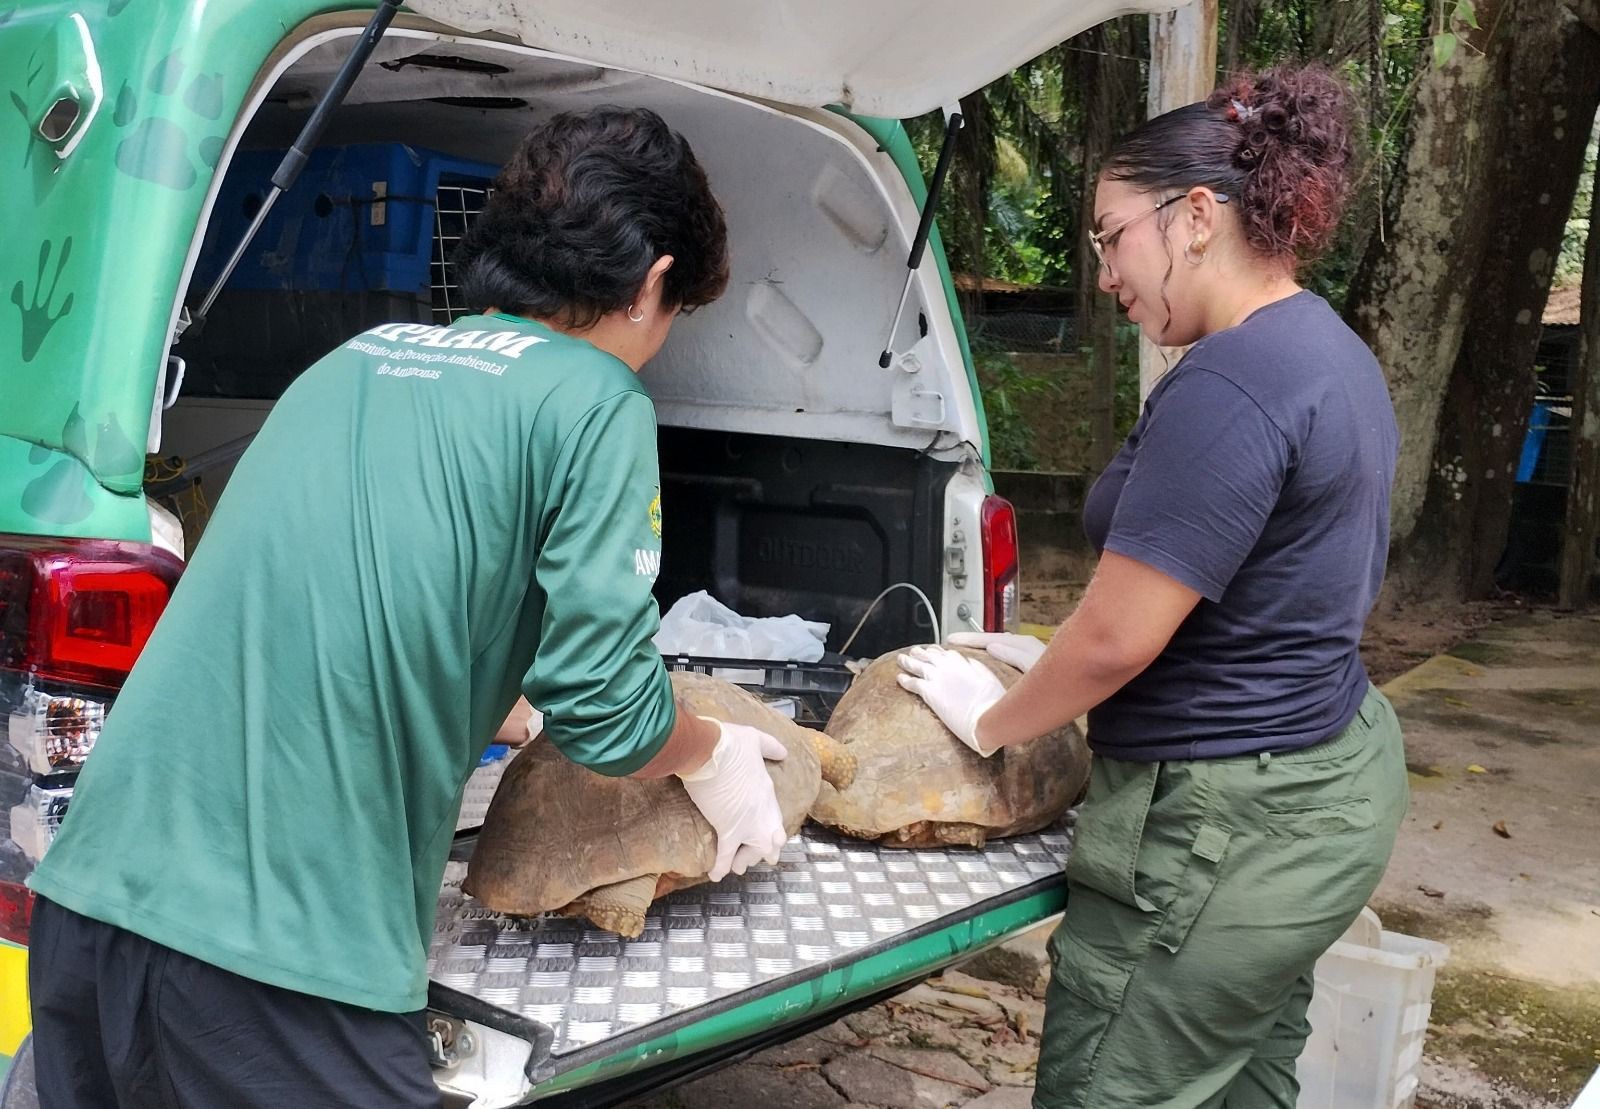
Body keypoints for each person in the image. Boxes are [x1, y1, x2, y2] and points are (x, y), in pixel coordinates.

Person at [25, 106, 792, 1107]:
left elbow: (353, 581)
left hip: (90, 902)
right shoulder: (597, 402)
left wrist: (488, 695)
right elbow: (608, 710)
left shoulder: (354, 362)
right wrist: (712, 754)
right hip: (275, 954)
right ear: (654, 281)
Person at [896, 66, 1406, 1109]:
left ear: (1197, 217)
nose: (1104, 271)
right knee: (1239, 1077)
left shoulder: (1228, 384)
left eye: (1111, 234)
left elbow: (1115, 639)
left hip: (1221, 827)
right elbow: (1258, 586)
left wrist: (991, 722)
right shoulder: (1324, 349)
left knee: (1113, 1084)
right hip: (1322, 782)